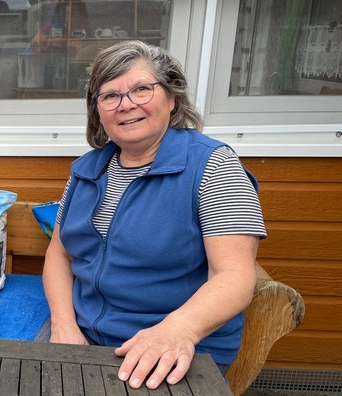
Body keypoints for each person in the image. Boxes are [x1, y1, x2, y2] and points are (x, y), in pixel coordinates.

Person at [42, 40, 266, 390]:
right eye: (110, 95)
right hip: (83, 333)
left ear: (172, 97)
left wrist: (177, 330)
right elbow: (59, 252)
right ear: (97, 110)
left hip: (174, 345)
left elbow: (235, 276)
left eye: (141, 89)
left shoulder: (214, 167)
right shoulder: (87, 170)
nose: (126, 104)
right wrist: (64, 324)